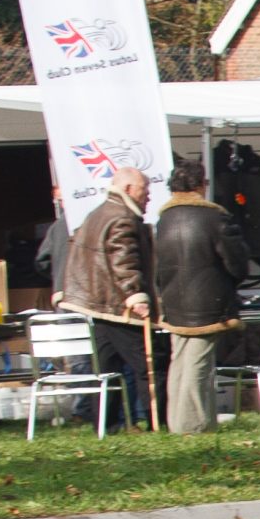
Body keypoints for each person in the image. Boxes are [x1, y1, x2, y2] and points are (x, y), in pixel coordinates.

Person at [153, 157, 248, 433]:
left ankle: (182, 422)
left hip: (174, 301)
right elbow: (237, 263)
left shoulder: (164, 219)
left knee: (180, 364)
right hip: (208, 303)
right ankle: (193, 427)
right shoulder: (215, 217)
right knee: (199, 366)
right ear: (200, 184)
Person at [64, 164, 161, 427]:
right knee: (148, 367)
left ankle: (106, 425)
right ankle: (158, 422)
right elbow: (123, 261)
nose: (149, 195)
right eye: (145, 189)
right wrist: (136, 296)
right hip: (119, 308)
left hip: (99, 305)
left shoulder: (97, 213)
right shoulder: (122, 217)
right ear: (129, 188)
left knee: (108, 370)